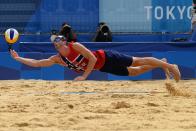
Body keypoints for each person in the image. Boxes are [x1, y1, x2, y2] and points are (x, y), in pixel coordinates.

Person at [10, 35, 181, 81]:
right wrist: (18, 59)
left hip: (107, 57)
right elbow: (37, 62)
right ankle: (162, 64)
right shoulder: (57, 58)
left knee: (138, 61)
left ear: (64, 42)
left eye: (58, 42)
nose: (57, 45)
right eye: (55, 44)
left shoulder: (74, 46)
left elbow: (91, 58)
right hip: (103, 67)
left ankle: (172, 66)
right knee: (135, 73)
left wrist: (84, 76)